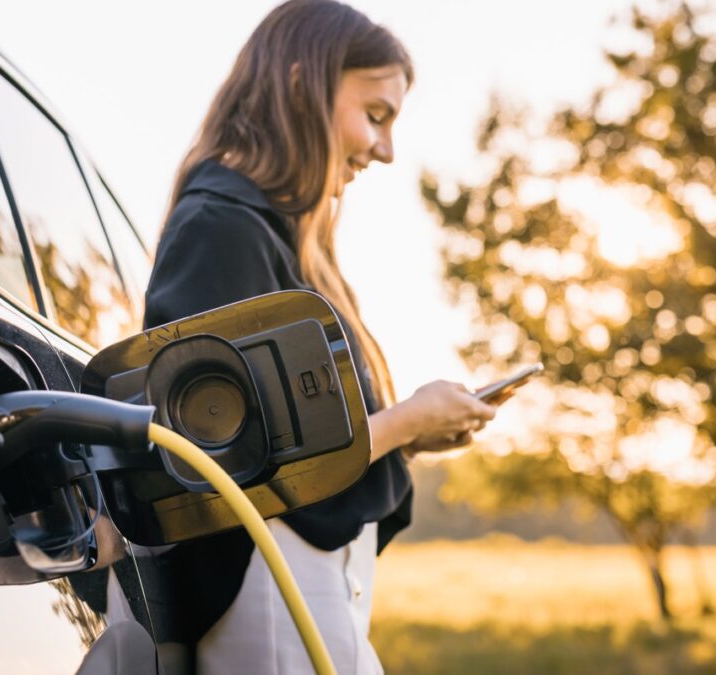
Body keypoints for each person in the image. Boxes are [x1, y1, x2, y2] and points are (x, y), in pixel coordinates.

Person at [143, 1, 497, 672]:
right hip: (269, 587)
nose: (386, 149)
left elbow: (298, 431)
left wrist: (410, 434)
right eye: (375, 115)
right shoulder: (222, 228)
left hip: (305, 584)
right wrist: (405, 420)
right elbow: (228, 457)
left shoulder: (280, 239)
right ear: (302, 85)